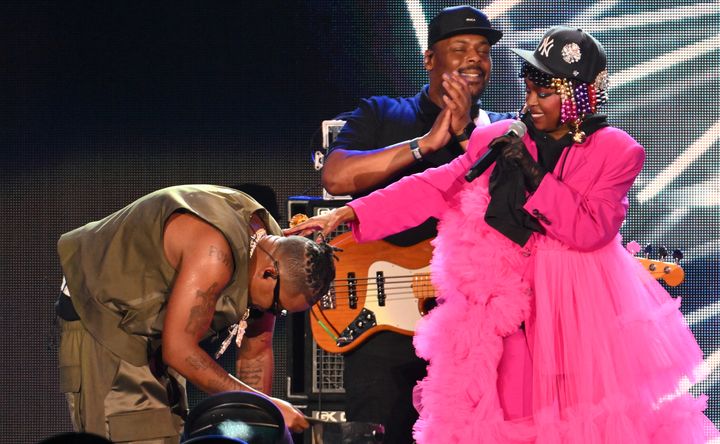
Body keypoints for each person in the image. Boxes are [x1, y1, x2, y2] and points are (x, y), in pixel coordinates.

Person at [287, 27, 719, 443]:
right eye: (529, 88)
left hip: (577, 317)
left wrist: (532, 175)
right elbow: (437, 185)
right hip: (503, 315)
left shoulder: (618, 151)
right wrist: (350, 212)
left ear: (577, 95)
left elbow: (589, 230)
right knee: (503, 418)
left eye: (544, 92)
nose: (530, 102)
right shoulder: (497, 138)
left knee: (580, 422)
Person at [320, 6, 513, 442]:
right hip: (383, 320)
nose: (474, 58)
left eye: (482, 51)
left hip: (471, 326)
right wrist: (423, 146)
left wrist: (467, 135)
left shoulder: (502, 131)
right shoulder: (382, 113)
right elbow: (336, 176)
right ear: (429, 59)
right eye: (460, 48)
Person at [55, 184, 336, 443]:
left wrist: (260, 422)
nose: (275, 312)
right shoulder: (213, 254)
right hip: (102, 311)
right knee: (135, 432)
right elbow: (178, 351)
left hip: (155, 325)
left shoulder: (271, 248)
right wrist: (271, 405)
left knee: (170, 430)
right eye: (278, 306)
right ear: (269, 273)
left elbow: (256, 350)